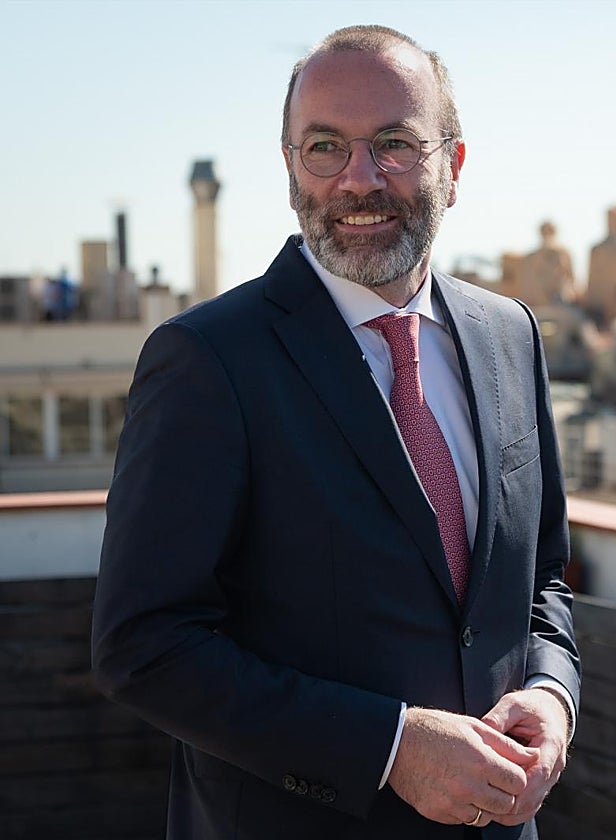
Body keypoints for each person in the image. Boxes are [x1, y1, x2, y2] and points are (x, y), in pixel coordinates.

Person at [92, 25, 579, 840]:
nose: (359, 179)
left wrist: (553, 693)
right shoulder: (209, 359)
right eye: (325, 146)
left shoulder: (510, 334)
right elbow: (144, 646)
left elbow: (544, 582)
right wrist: (390, 748)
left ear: (453, 167)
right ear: (289, 169)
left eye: (394, 143)